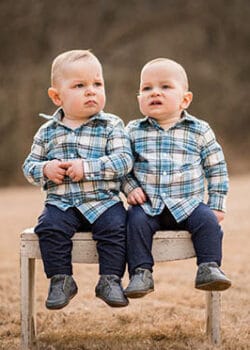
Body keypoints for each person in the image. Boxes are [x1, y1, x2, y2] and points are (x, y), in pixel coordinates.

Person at [23, 50, 133, 309]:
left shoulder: (111, 125)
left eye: (97, 84)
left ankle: (110, 280)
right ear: (56, 96)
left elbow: (124, 161)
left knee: (117, 228)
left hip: (103, 201)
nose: (91, 91)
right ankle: (61, 280)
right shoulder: (47, 132)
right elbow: (29, 166)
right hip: (62, 203)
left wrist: (88, 168)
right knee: (49, 228)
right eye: (79, 86)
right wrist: (45, 169)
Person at [122, 58, 231, 298]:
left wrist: (217, 204)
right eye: (147, 88)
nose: (155, 93)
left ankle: (209, 268)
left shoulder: (199, 130)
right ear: (139, 98)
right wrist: (130, 188)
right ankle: (141, 273)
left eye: (165, 87)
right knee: (134, 223)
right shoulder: (132, 131)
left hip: (189, 204)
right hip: (148, 205)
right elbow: (122, 167)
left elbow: (217, 168)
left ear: (185, 99)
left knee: (208, 222)